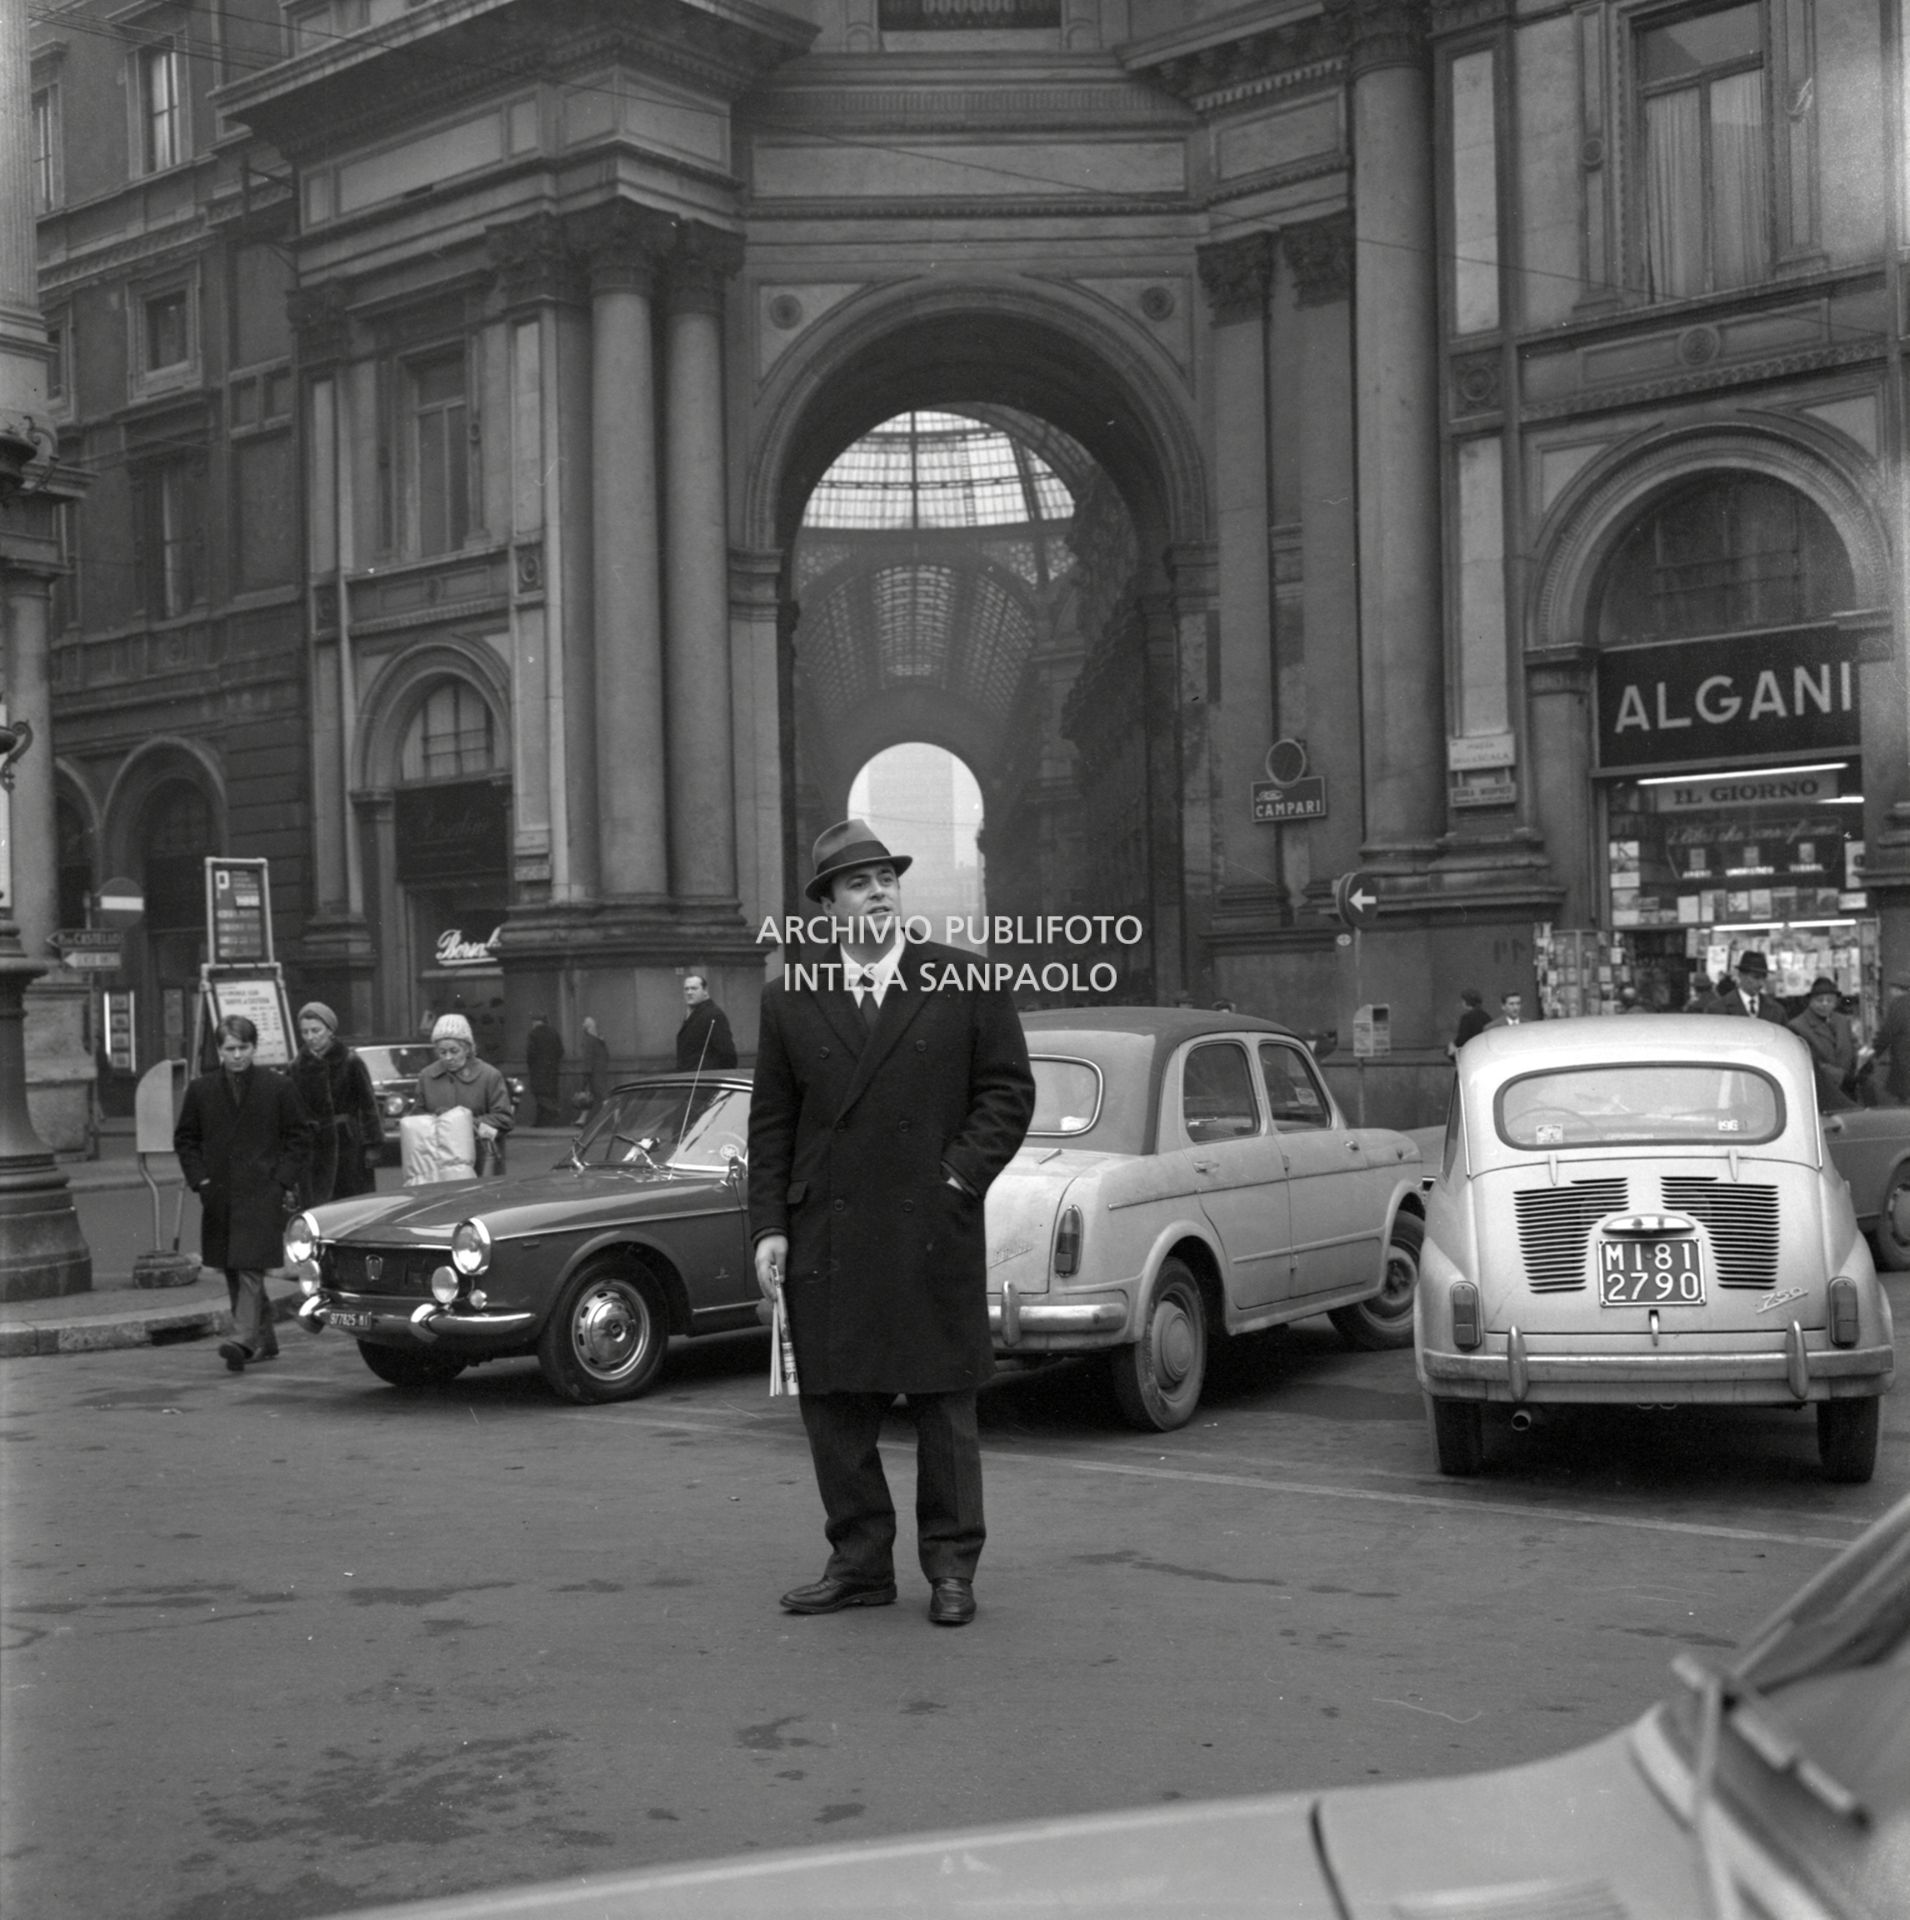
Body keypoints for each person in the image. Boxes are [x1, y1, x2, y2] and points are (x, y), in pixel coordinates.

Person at [748, 819, 1035, 1628]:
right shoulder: (789, 998)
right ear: (828, 906)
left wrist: (957, 1174)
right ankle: (861, 1563)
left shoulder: (963, 980)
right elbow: (772, 1125)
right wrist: (768, 1227)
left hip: (931, 1222)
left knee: (944, 1406)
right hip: (827, 1234)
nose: (877, 893)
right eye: (857, 883)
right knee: (835, 1408)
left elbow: (1007, 1093)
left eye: (886, 879)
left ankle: (951, 1569)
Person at [174, 1014, 313, 1374]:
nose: (237, 1055)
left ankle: (243, 1338)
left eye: (244, 1048)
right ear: (219, 1050)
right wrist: (200, 1181)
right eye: (230, 1049)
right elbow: (186, 1139)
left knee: (249, 1266)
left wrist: (281, 1180)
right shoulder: (201, 1089)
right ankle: (264, 1339)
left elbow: (299, 1135)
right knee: (234, 1268)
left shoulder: (277, 1087)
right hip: (218, 1192)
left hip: (261, 1190)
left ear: (254, 1047)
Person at [288, 1001, 384, 1203]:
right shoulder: (296, 1067)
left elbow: (368, 1105)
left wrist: (372, 1145)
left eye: (316, 1030)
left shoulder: (350, 1061)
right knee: (317, 1203)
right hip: (313, 1145)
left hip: (348, 1143)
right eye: (305, 1032)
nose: (310, 1037)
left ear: (330, 1030)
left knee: (351, 1202)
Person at [415, 1012, 515, 1175]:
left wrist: (464, 1122)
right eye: (442, 1052)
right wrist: (434, 1120)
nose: (448, 1057)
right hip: (439, 1163)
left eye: (454, 1051)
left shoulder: (489, 1076)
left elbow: (505, 1119)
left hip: (481, 1162)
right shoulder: (427, 1077)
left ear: (467, 1048)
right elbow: (417, 1117)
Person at [1790, 977, 1859, 1112]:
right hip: (1823, 1092)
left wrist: (1859, 1066)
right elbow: (1809, 1062)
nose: (1825, 1004)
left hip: (1849, 1090)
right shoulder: (1798, 1026)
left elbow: (1852, 1045)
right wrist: (1841, 1076)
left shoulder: (1842, 1020)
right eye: (1819, 1000)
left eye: (1830, 1000)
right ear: (1810, 1001)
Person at [1860, 974, 1910, 1106]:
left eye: (1891, 989)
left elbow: (1887, 1033)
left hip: (1905, 1061)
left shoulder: (1900, 1004)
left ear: (1896, 989)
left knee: (1905, 1103)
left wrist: (1871, 1053)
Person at [676, 971, 738, 1071]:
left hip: (705, 1079)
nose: (689, 992)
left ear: (705, 991)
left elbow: (728, 1054)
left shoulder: (713, 1014)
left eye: (694, 988)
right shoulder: (694, 1013)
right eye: (686, 989)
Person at [1708, 950, 1789, 1024]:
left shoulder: (1777, 1011)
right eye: (1756, 977)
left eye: (1764, 977)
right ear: (1741, 975)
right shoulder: (1717, 1009)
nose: (1761, 983)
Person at [524, 1014, 566, 1126]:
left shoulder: (534, 1034)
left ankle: (552, 1113)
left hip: (538, 1070)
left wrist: (531, 1065)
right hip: (552, 1070)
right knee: (550, 1094)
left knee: (540, 1095)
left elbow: (530, 1053)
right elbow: (560, 1051)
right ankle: (542, 1121)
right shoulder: (554, 1033)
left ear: (537, 1021)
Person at [580, 1014, 611, 1118]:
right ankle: (582, 1119)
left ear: (587, 1027)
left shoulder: (589, 1041)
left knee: (599, 1096)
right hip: (600, 1071)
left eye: (584, 1023)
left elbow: (587, 1059)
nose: (582, 1025)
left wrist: (585, 1076)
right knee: (598, 1095)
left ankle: (611, 1118)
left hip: (593, 1073)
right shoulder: (600, 1041)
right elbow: (606, 1056)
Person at [1449, 988, 1490, 1057]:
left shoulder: (1466, 1018)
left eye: (1463, 1001)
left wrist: (1453, 1044)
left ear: (1466, 1002)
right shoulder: (1486, 1016)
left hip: (1470, 1052)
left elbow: (1461, 1040)